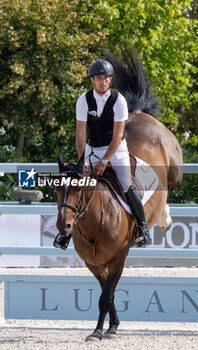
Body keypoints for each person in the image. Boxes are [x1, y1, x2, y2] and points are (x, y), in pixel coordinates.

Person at [75, 59, 151, 247]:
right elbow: (80, 133)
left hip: (116, 151)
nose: (103, 82)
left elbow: (117, 136)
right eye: (99, 78)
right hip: (92, 150)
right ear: (92, 80)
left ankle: (143, 229)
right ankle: (67, 232)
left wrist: (105, 160)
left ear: (110, 80)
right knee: (79, 185)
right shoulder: (83, 100)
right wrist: (82, 158)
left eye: (106, 78)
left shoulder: (119, 101)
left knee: (126, 184)